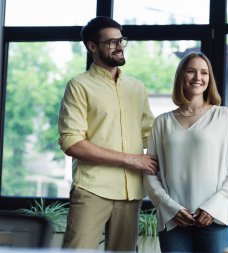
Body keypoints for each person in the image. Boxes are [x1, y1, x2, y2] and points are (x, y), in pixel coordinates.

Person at [58, 16, 158, 252]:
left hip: (131, 192)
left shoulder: (137, 87)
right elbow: (72, 143)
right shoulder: (79, 86)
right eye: (111, 42)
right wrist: (131, 159)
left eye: (121, 40)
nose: (119, 46)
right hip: (92, 189)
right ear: (92, 47)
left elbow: (151, 134)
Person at [143, 52, 228, 253]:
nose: (198, 78)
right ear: (181, 76)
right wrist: (170, 208)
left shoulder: (225, 116)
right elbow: (150, 172)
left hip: (215, 219)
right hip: (174, 221)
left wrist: (213, 206)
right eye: (191, 71)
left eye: (204, 72)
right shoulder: (162, 122)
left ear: (210, 79)